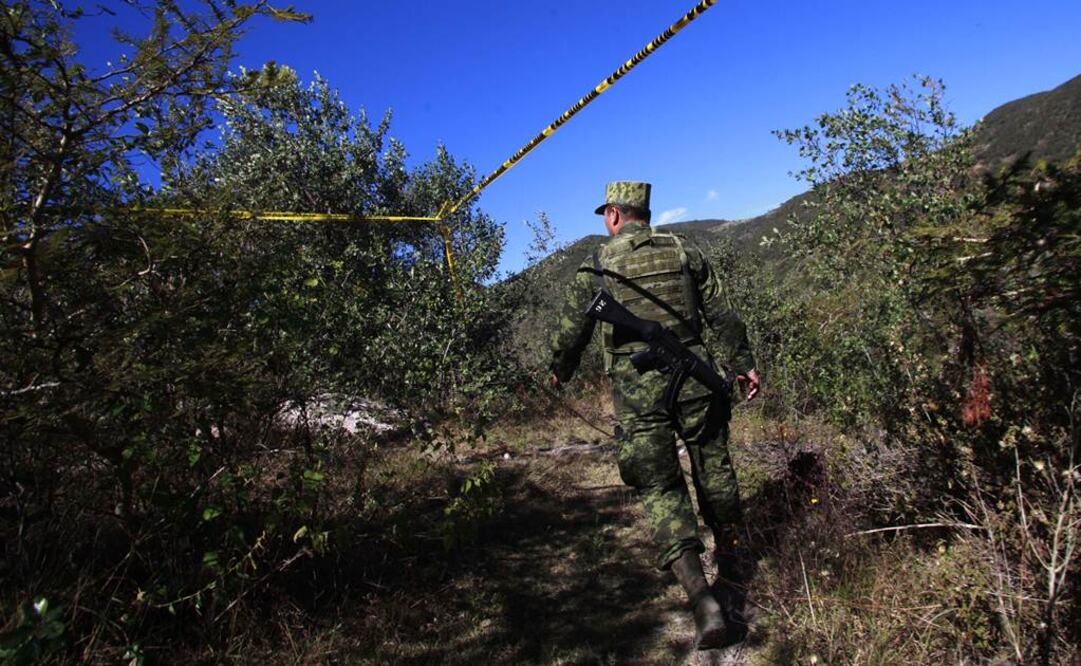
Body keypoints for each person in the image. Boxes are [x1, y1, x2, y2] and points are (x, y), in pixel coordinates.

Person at [549, 181, 760, 650]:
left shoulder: (598, 265)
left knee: (660, 486)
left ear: (614, 216)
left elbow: (571, 330)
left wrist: (559, 371)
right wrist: (742, 364)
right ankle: (734, 568)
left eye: (606, 214)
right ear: (645, 212)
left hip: (637, 391)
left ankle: (700, 597)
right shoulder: (686, 251)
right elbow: (723, 315)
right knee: (715, 469)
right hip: (696, 380)